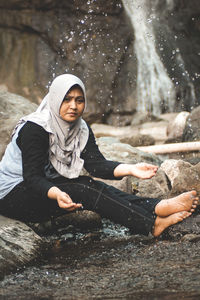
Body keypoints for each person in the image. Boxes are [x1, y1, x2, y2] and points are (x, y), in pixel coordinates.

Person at [0, 74, 198, 237]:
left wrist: (131, 169)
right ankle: (151, 225)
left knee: (89, 185)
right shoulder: (35, 128)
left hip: (41, 189)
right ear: (54, 99)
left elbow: (96, 165)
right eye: (66, 99)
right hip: (12, 197)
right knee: (81, 188)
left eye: (79, 100)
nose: (73, 106)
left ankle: (157, 206)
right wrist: (57, 194)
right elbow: (32, 178)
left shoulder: (80, 128)